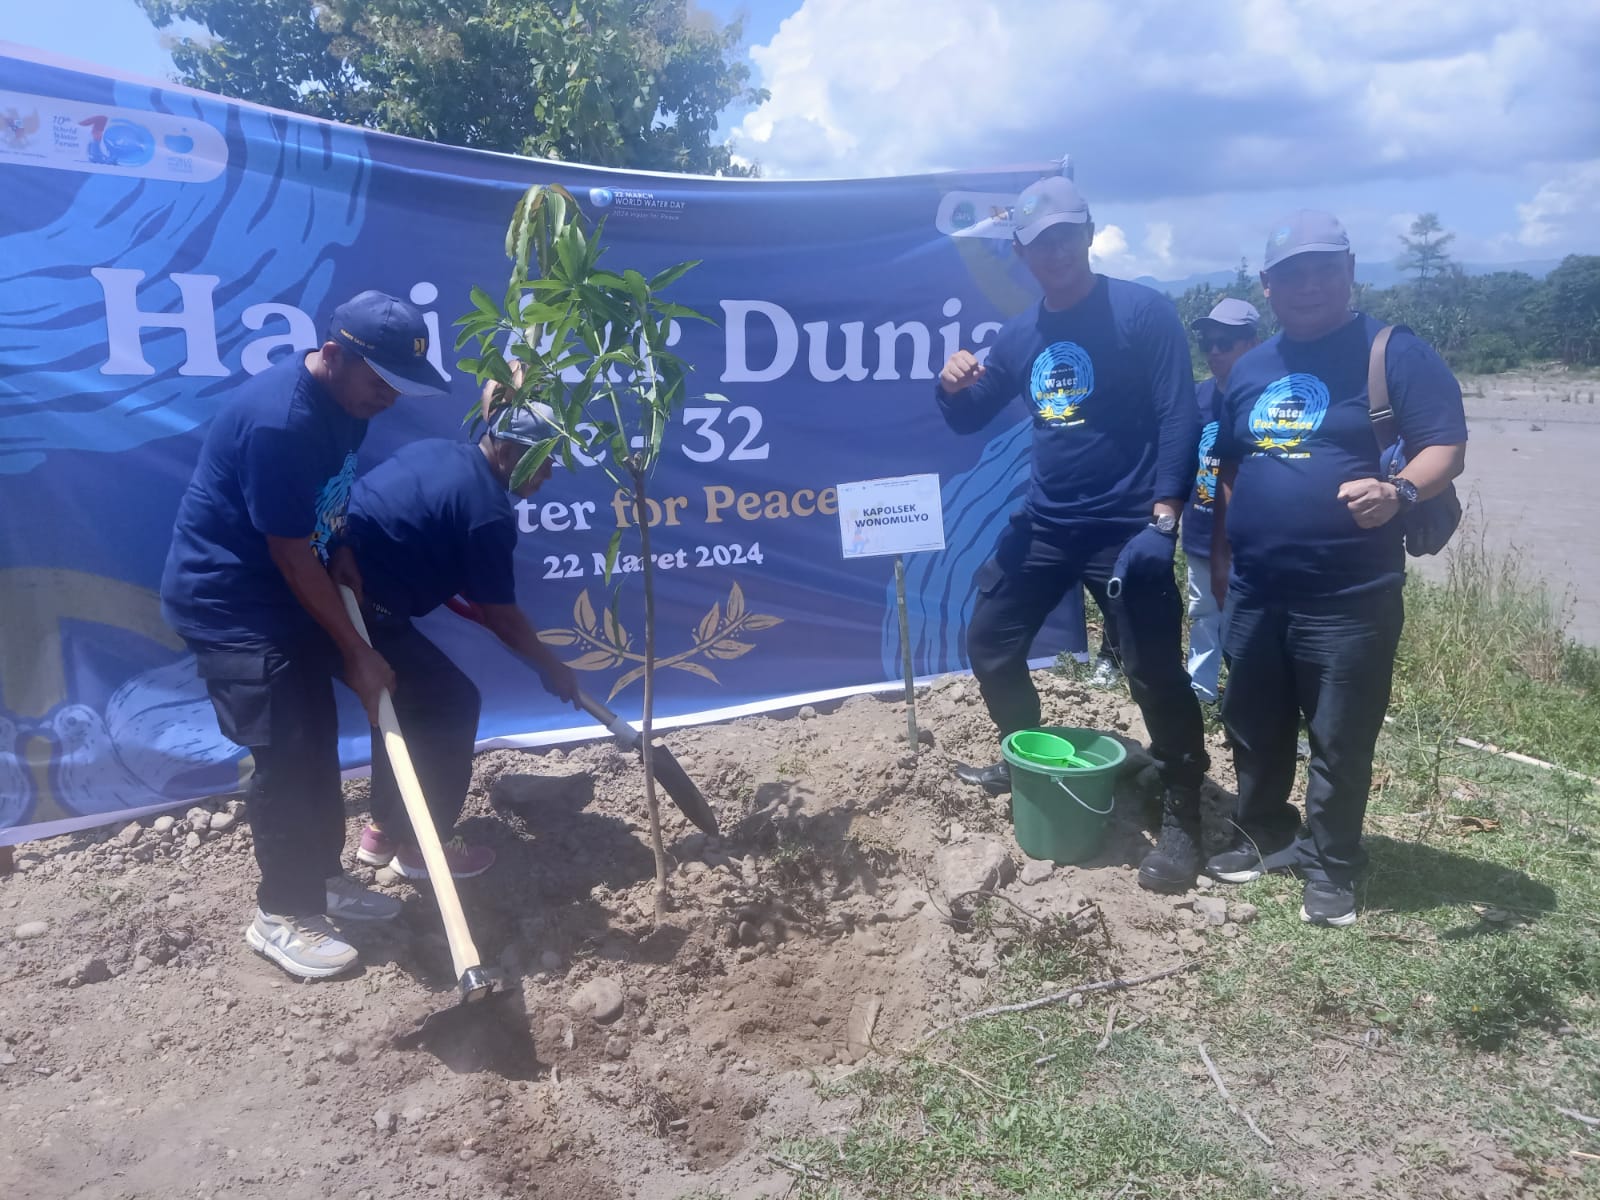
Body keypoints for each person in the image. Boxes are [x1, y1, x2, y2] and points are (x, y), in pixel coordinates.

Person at [161, 290, 449, 980]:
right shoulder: (281, 421)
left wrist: (341, 539)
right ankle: (281, 914)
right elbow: (289, 552)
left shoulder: (347, 405)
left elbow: (326, 498)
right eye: (379, 382)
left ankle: (320, 881)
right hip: (233, 605)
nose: (388, 399)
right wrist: (358, 652)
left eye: (399, 389)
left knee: (315, 737)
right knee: (288, 753)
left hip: (289, 588)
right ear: (332, 356)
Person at [938, 175, 1210, 894]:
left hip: (1126, 530)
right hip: (1048, 524)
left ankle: (1185, 814)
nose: (1053, 252)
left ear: (1086, 235)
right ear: (1023, 255)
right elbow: (970, 418)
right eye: (1038, 243)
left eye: (1064, 236)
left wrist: (1165, 519)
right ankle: (1020, 754)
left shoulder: (1141, 313)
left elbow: (1179, 417)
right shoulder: (1023, 333)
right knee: (991, 646)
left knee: (1153, 672)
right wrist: (951, 384)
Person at [1207, 211, 1467, 926]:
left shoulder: (1393, 351)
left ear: (1351, 272)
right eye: (1293, 273)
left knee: (1340, 735)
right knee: (1253, 722)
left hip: (1351, 593)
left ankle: (1333, 864)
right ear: (1267, 286)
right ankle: (1266, 832)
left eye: (1325, 269)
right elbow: (1231, 465)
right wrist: (1223, 554)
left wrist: (1399, 490)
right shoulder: (1251, 366)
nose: (1310, 284)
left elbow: (1445, 445)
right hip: (1258, 588)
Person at [340, 382, 580, 880]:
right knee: (450, 703)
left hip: (340, 588)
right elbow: (501, 615)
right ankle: (421, 848)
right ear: (510, 451)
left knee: (403, 704)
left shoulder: (439, 453)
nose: (551, 474)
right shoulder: (487, 513)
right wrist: (552, 668)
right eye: (544, 461)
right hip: (358, 606)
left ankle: (384, 830)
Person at [1183, 298, 1260, 704]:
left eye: (1225, 342)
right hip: (1200, 526)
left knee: (1249, 616)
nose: (1214, 351)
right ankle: (1201, 691)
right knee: (1203, 610)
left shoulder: (1266, 402)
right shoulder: (1195, 398)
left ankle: (1251, 695)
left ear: (1252, 343)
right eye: (1207, 343)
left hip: (1253, 534)